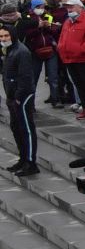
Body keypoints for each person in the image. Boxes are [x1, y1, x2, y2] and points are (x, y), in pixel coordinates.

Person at [1, 21, 38, 175]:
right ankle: (23, 159)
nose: (3, 38)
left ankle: (31, 162)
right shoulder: (8, 50)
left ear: (13, 35)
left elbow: (25, 77)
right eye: (1, 36)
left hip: (21, 96)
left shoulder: (21, 52)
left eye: (6, 35)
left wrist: (17, 97)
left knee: (26, 129)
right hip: (12, 95)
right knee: (16, 128)